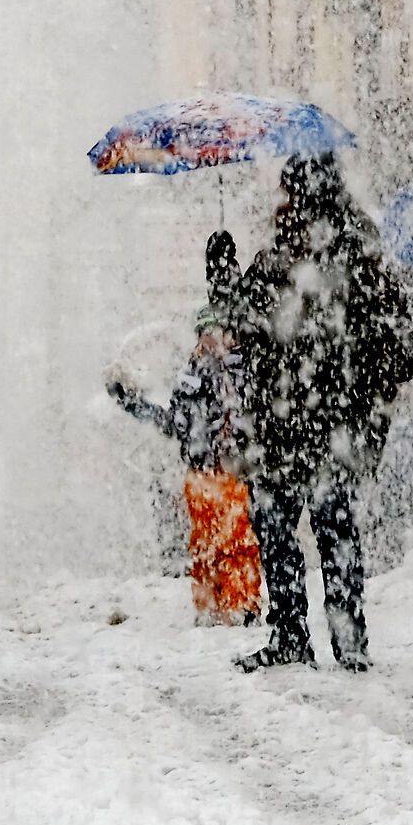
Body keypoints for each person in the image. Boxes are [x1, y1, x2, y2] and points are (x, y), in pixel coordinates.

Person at [229, 152, 413, 673]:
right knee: (303, 528)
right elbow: (241, 327)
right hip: (297, 425)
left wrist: (358, 395)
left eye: (288, 191)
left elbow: (397, 345)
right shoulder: (314, 257)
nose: (281, 201)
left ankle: (311, 638)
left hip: (307, 424)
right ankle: (328, 640)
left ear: (307, 196)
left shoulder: (341, 258)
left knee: (307, 529)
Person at [108, 231, 263, 625]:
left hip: (228, 473)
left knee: (234, 543)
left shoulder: (234, 369)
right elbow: (174, 421)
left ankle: (237, 606)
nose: (207, 343)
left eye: (215, 334)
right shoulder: (204, 371)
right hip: (206, 474)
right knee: (211, 544)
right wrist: (131, 402)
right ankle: (214, 607)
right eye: (203, 335)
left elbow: (180, 421)